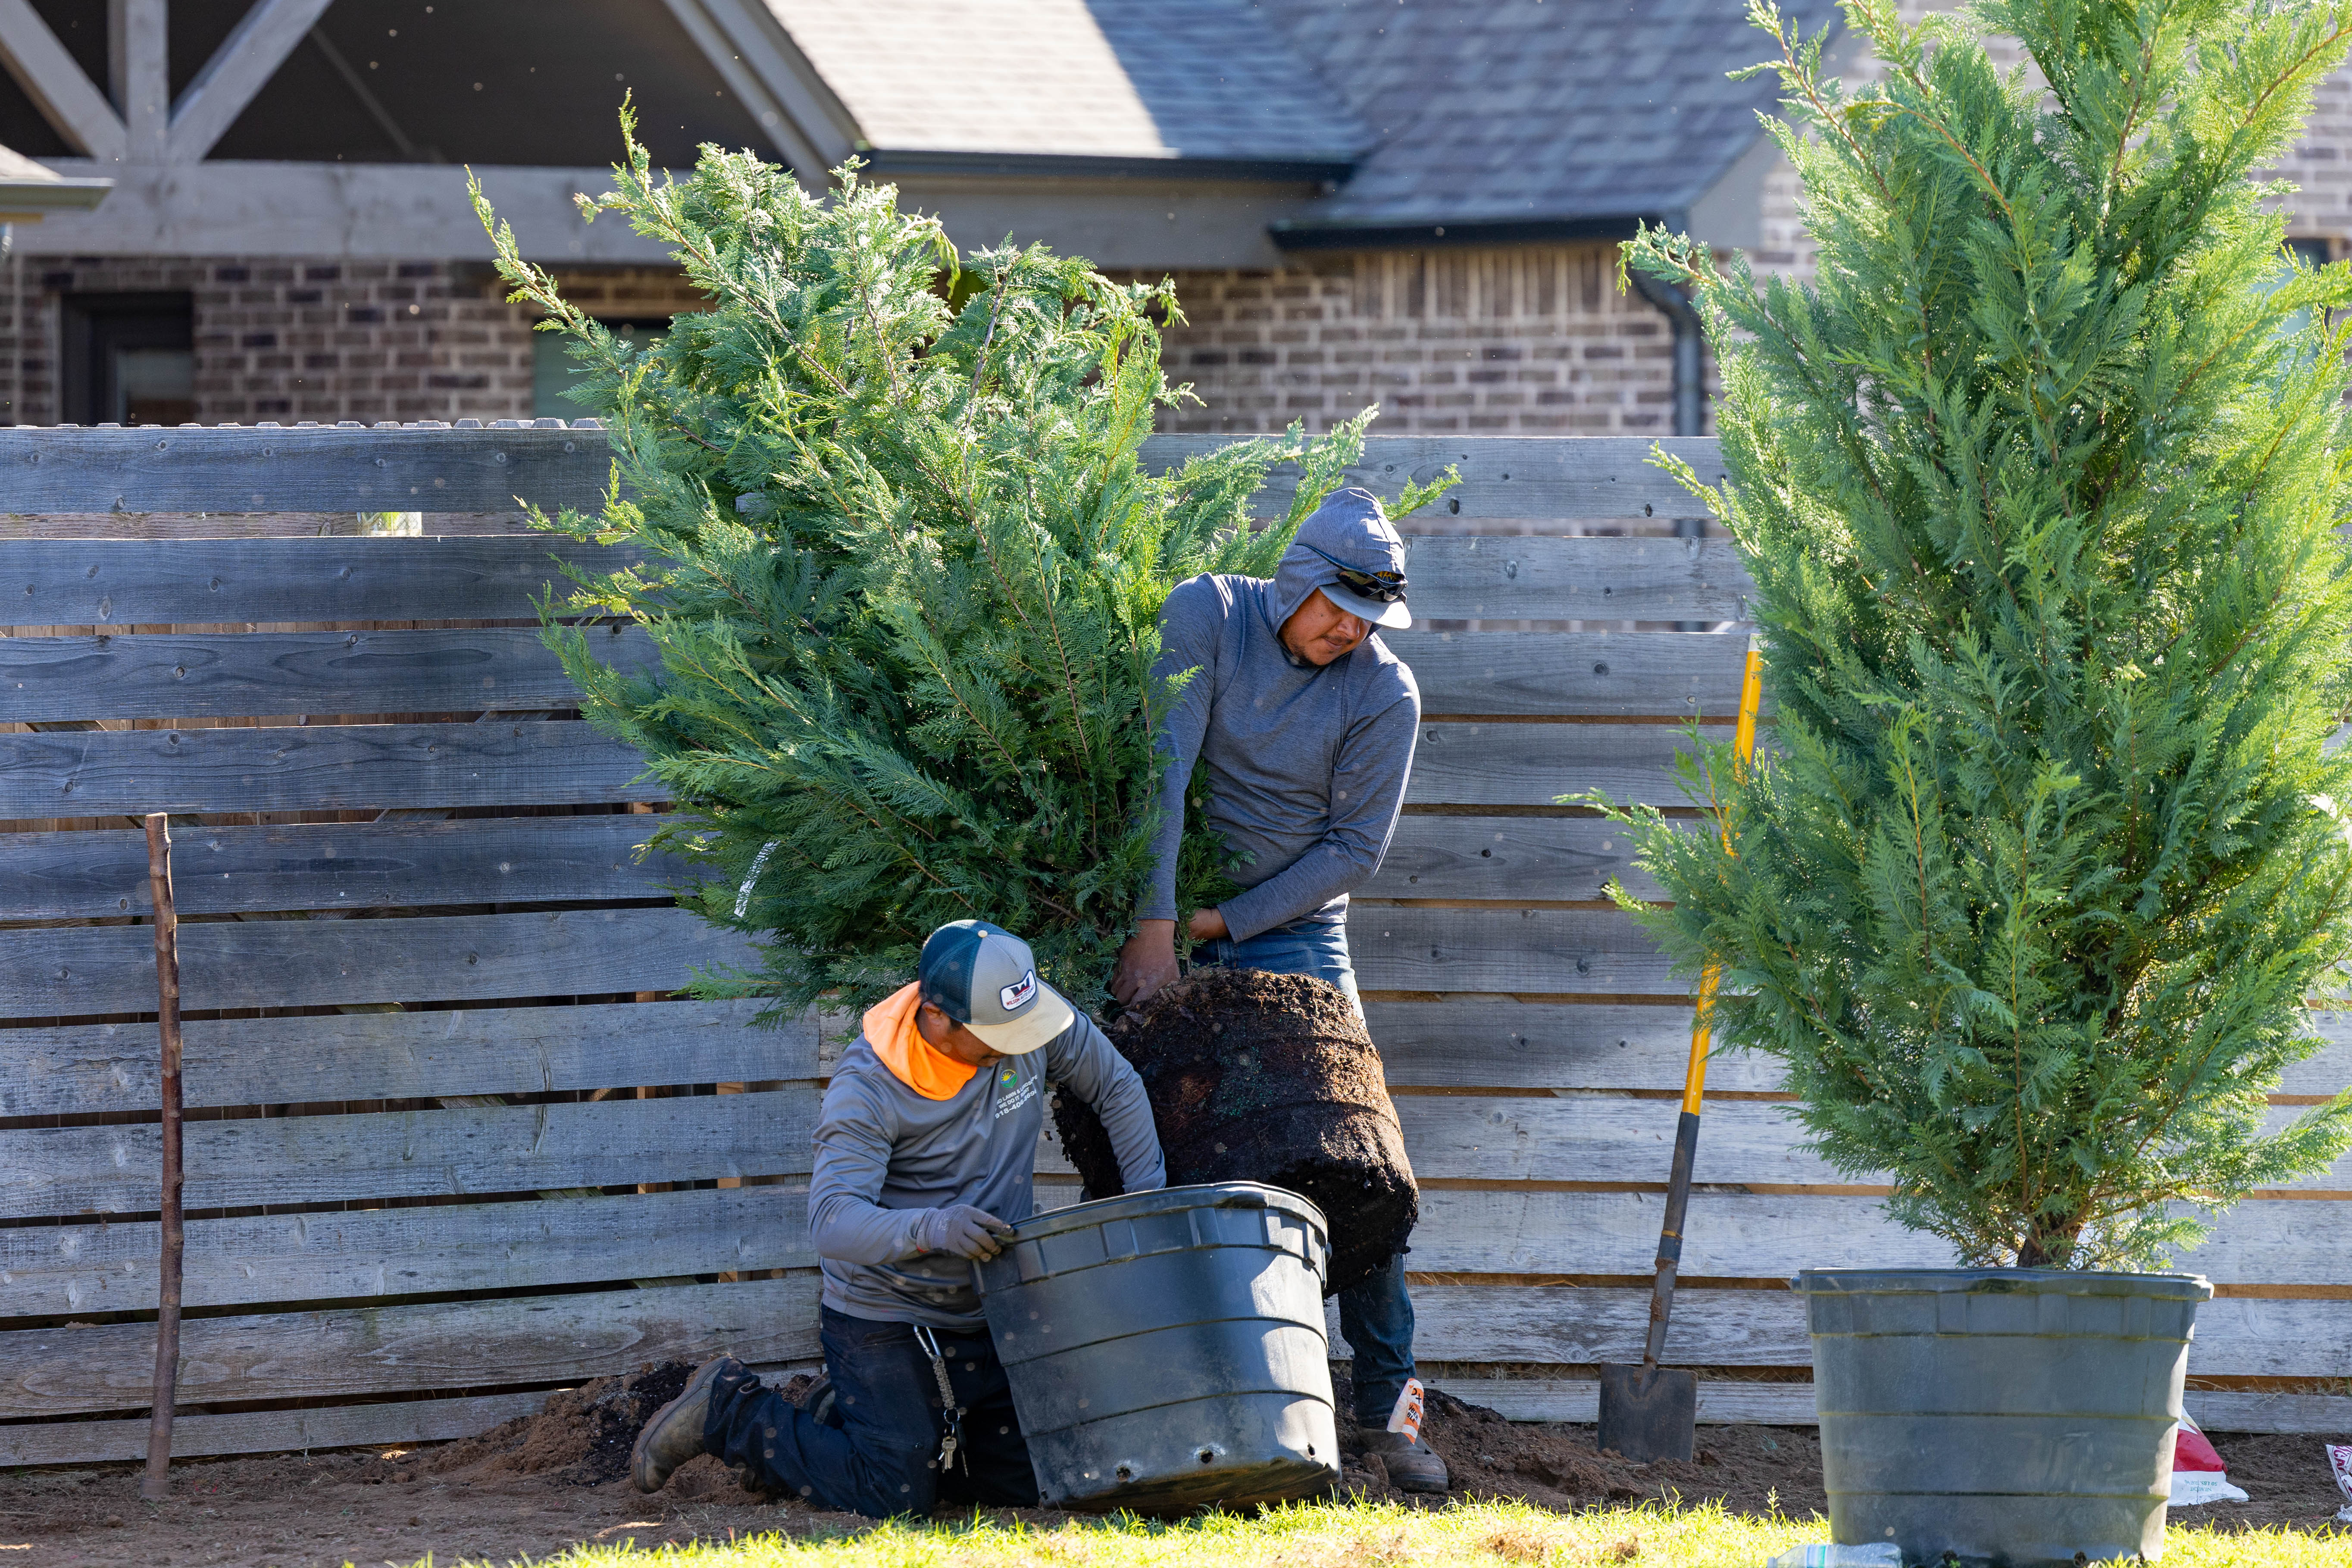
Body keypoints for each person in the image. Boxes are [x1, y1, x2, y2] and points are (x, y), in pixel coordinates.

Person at [1109, 484, 1446, 1492]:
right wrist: (1157, 926)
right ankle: (1180, 1404)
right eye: (1337, 609)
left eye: (1370, 620)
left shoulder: (1385, 693)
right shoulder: (1206, 614)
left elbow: (1355, 847)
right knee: (1148, 1149)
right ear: (1296, 578)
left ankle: (1393, 1414)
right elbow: (1163, 768)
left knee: (1359, 1166)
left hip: (1294, 934)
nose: (1349, 631)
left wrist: (1222, 927)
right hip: (1162, 904)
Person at [630, 920, 1166, 1516]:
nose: (1019, 1045)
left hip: (996, 1305)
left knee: (1043, 1479)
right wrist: (933, 1227)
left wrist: (1146, 1209)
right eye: (997, 1035)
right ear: (937, 1016)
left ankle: (840, 1424)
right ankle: (731, 1410)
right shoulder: (869, 1086)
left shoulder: (1023, 1014)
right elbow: (832, 1220)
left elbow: (1116, 1085)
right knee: (898, 1496)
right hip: (887, 1314)